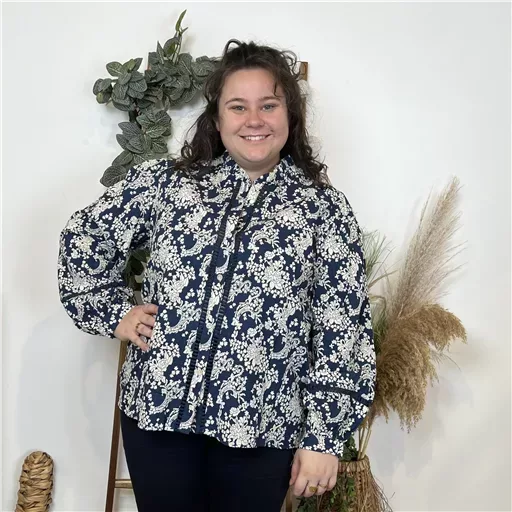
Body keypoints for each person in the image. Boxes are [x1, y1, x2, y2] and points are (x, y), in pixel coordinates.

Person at [58, 39, 376, 512]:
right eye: (238, 106)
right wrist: (113, 312)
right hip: (158, 417)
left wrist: (324, 438)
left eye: (269, 105)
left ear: (290, 115)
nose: (254, 120)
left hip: (262, 428)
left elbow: (342, 327)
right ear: (218, 117)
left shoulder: (323, 209)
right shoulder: (167, 183)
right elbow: (86, 236)